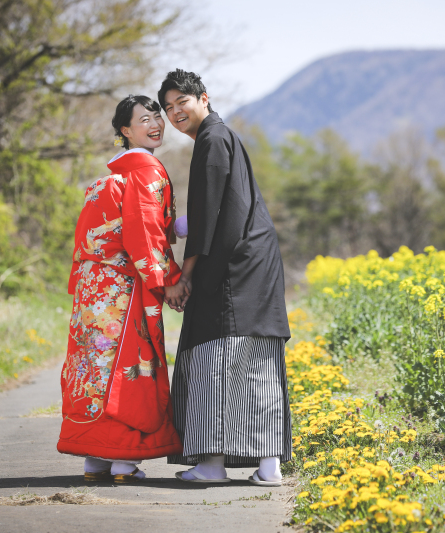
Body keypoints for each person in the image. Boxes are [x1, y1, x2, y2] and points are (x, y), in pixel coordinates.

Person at [158, 69, 292, 486]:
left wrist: (185, 277)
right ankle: (268, 466)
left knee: (215, 358)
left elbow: (209, 219)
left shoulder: (212, 140)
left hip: (234, 264)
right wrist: (187, 225)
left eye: (182, 102)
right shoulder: (218, 137)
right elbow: (210, 213)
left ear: (204, 98)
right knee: (254, 361)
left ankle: (213, 465)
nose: (175, 112)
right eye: (168, 107)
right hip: (252, 260)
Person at [57, 95, 184, 483]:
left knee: (95, 366)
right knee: (130, 365)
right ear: (125, 131)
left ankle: (94, 458)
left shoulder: (113, 177)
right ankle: (125, 461)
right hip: (123, 288)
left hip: (94, 289)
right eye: (144, 119)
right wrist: (170, 281)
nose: (155, 124)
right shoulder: (145, 171)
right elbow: (143, 235)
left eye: (156, 117)